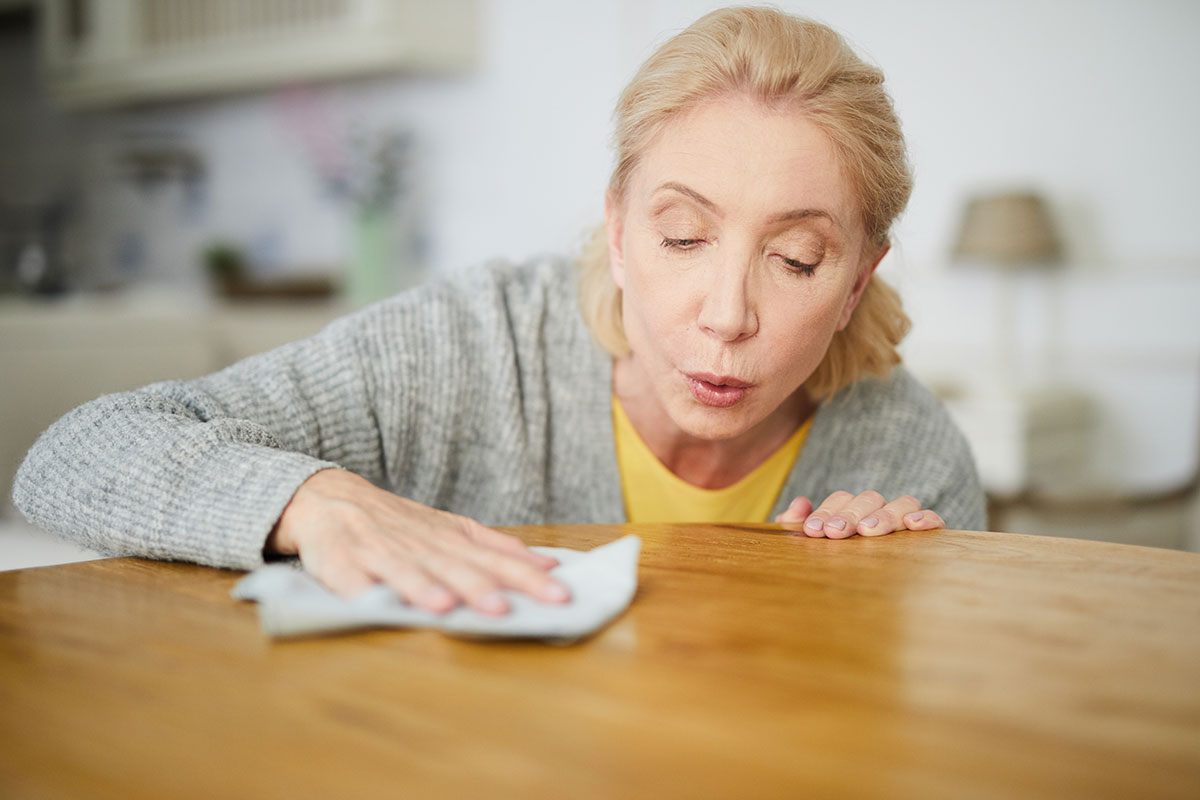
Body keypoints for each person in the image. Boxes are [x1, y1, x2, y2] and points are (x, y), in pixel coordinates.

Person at [13, 7, 984, 617]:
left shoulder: (903, 450)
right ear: (613, 225)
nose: (728, 314)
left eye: (797, 257)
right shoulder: (468, 348)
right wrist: (317, 500)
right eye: (682, 237)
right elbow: (76, 453)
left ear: (859, 275)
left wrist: (896, 592)